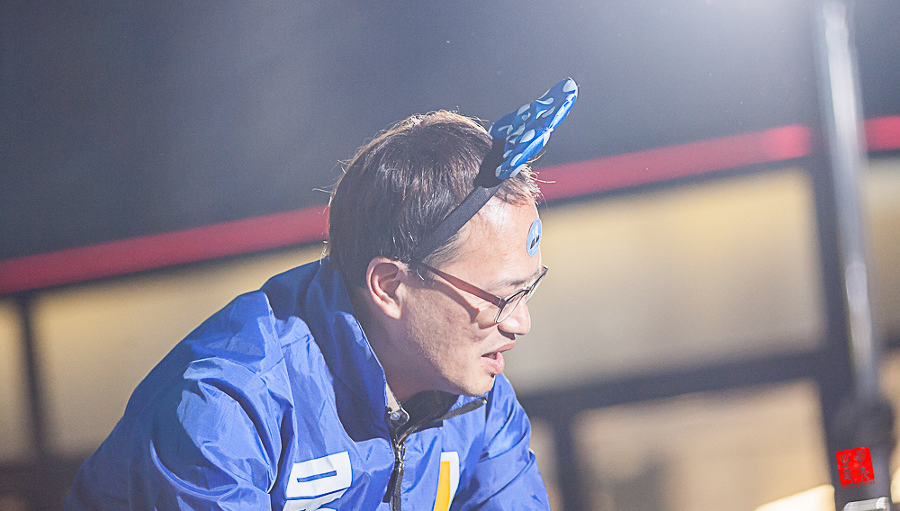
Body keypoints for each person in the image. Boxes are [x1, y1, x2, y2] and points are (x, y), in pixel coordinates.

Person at [63, 79, 577, 511]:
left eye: (527, 289)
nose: (520, 323)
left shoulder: (478, 402)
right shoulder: (225, 408)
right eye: (500, 297)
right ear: (388, 286)